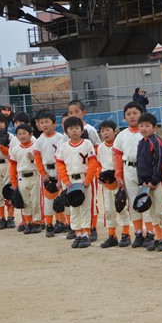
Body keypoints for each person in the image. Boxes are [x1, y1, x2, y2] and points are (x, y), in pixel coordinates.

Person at [113, 102, 154, 248]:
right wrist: (118, 176)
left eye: (135, 113)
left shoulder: (148, 134)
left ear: (142, 114)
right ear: (124, 117)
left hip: (144, 170)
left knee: (145, 201)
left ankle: (150, 233)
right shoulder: (122, 135)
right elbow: (118, 157)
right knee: (132, 202)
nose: (132, 116)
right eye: (128, 114)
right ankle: (138, 233)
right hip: (128, 169)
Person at [55, 117, 98, 248]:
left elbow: (93, 162)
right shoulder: (63, 147)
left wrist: (88, 179)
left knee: (86, 207)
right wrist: (65, 180)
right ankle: (78, 232)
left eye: (77, 128)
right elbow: (60, 165)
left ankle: (86, 233)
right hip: (70, 181)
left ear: (82, 130)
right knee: (73, 208)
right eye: (71, 128)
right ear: (66, 131)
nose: (74, 131)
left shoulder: (87, 144)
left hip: (84, 180)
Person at [67, 99, 101, 241]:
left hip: (88, 172)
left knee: (90, 202)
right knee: (75, 202)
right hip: (72, 174)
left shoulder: (89, 130)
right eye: (70, 112)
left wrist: (94, 171)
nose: (73, 114)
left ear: (83, 112)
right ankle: (77, 229)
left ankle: (92, 228)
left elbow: (97, 147)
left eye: (76, 111)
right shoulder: (67, 132)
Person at [136, 112, 162, 251]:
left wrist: (154, 181)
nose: (143, 128)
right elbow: (140, 164)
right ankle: (158, 237)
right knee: (152, 212)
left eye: (147, 125)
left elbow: (160, 163)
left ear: (154, 127)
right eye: (141, 126)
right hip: (146, 184)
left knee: (161, 210)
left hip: (157, 183)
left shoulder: (157, 142)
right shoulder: (141, 142)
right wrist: (142, 182)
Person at [97, 120, 132, 248]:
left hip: (119, 181)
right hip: (107, 183)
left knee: (122, 207)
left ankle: (126, 234)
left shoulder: (119, 145)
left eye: (108, 130)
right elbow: (99, 164)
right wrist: (99, 176)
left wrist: (120, 177)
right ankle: (111, 235)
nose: (105, 133)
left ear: (115, 131)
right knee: (108, 209)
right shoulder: (100, 147)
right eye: (102, 131)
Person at [33, 111, 66, 237]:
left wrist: (60, 174)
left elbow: (63, 156)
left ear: (55, 123)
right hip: (47, 170)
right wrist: (42, 173)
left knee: (61, 198)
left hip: (59, 170)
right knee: (48, 200)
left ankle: (62, 222)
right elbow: (38, 158)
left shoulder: (60, 138)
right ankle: (49, 225)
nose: (44, 125)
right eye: (42, 122)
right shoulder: (39, 140)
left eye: (47, 122)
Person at [9, 124, 42, 234]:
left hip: (34, 176)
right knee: (25, 201)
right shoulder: (15, 150)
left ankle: (37, 222)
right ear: (16, 136)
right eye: (19, 134)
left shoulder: (35, 147)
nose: (22, 136)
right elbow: (12, 166)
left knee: (35, 201)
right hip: (22, 177)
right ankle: (28, 222)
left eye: (24, 133)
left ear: (31, 134)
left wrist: (34, 159)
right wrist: (13, 182)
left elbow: (41, 163)